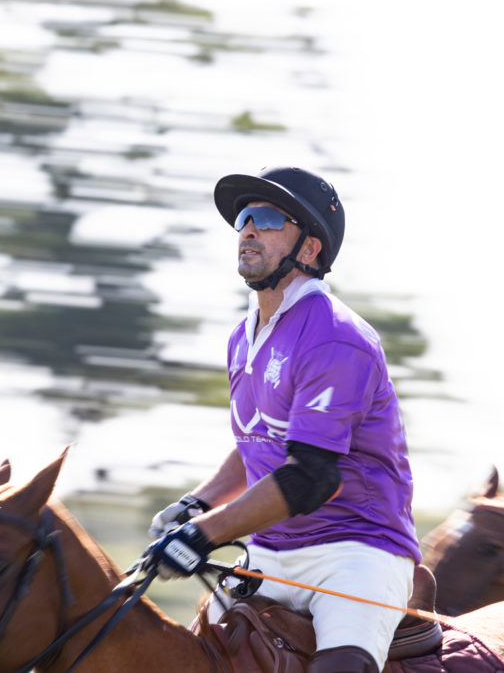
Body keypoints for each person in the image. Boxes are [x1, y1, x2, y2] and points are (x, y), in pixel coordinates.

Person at [143, 166, 421, 673]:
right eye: (244, 218)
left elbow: (310, 476)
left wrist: (203, 534)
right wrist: (197, 503)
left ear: (310, 250)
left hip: (354, 554)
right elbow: (258, 438)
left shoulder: (337, 337)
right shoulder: (241, 337)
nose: (248, 229)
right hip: (269, 551)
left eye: (268, 218)